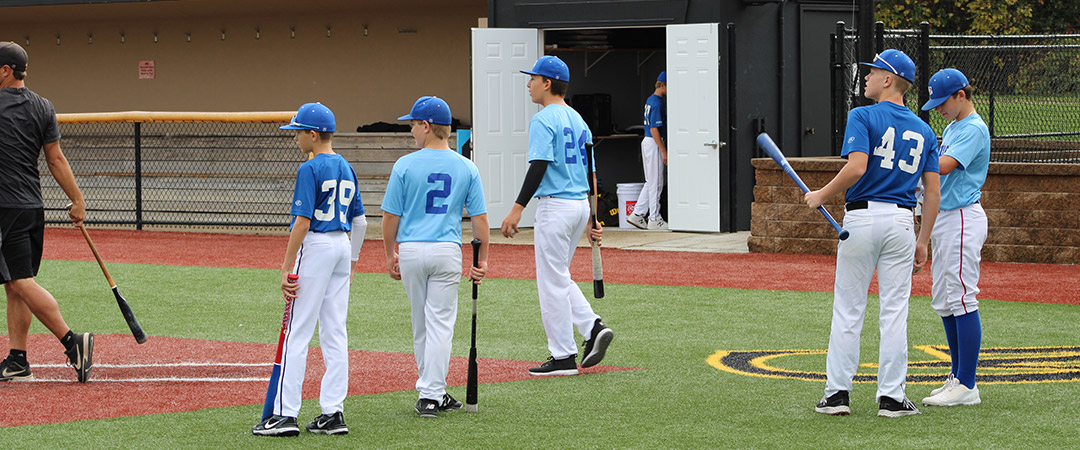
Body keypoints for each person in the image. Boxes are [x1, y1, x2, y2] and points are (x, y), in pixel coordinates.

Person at [805, 49, 941, 418]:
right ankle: (892, 398)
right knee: (894, 312)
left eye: (872, 72)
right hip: (901, 222)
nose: (865, 77)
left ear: (888, 80)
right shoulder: (926, 129)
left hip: (862, 220)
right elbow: (932, 192)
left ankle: (837, 395)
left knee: (849, 309)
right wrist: (923, 240)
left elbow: (857, 167)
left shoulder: (862, 115)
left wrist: (820, 195)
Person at [252, 102, 367, 436]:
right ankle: (333, 413)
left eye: (299, 132)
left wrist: (286, 267)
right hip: (342, 247)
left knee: (296, 332)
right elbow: (359, 221)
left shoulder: (310, 167)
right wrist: (353, 261)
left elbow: (302, 223)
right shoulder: (346, 166)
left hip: (316, 246)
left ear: (313, 135)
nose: (295, 138)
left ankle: (285, 415)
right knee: (334, 331)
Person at [500, 55, 614, 376]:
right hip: (579, 205)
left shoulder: (543, 119)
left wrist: (517, 208)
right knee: (559, 275)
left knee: (551, 280)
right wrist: (593, 217)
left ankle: (564, 354)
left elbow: (539, 165)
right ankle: (592, 328)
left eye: (533, 78)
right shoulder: (579, 119)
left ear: (547, 83)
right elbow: (592, 172)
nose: (529, 83)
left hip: (556, 205)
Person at [381, 96, 490, 418]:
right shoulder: (466, 166)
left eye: (413, 124)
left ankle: (430, 391)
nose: (411, 130)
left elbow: (390, 216)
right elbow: (480, 219)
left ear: (426, 126)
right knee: (440, 325)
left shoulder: (405, 164)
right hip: (446, 251)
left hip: (413, 249)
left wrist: (390, 253)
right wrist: (482, 259)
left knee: (421, 325)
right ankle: (433, 392)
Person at [0, 41, 94, 384]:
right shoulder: (43, 106)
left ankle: (72, 342)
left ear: (6, 71)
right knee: (16, 284)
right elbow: (56, 159)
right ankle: (17, 359)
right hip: (30, 207)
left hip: (5, 208)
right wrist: (77, 199)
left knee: (20, 281)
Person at [918, 68, 989, 407]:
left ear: (961, 95)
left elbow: (943, 165)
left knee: (961, 296)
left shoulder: (973, 127)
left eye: (943, 102)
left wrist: (911, 158)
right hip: (947, 216)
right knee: (945, 300)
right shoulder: (953, 126)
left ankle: (967, 383)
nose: (939, 109)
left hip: (962, 216)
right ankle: (958, 375)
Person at [627, 71, 668, 231]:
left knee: (651, 181)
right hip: (653, 142)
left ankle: (637, 214)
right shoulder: (657, 102)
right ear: (662, 85)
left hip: (648, 142)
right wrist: (663, 150)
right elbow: (654, 128)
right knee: (656, 183)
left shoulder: (651, 99)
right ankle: (654, 218)